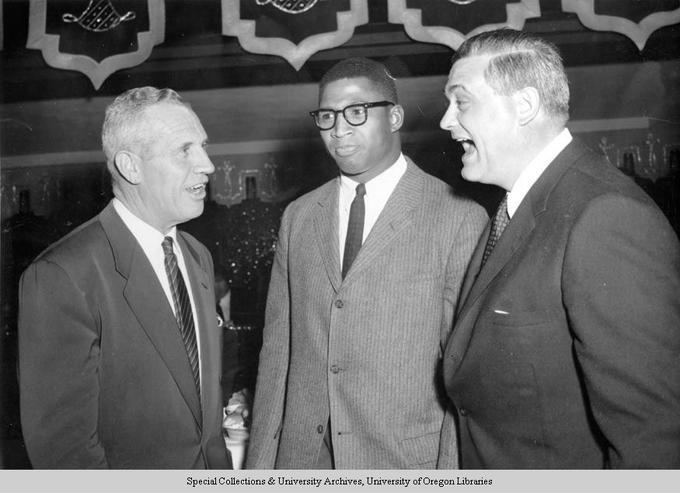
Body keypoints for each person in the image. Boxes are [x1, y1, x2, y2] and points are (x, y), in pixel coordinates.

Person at [440, 29, 680, 469]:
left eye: (461, 101)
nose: (445, 121)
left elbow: (654, 439)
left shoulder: (604, 216)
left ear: (525, 106)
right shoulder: (518, 208)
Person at [246, 57, 487, 469]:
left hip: (404, 463)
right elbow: (277, 356)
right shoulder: (299, 217)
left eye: (356, 113)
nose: (339, 130)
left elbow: (463, 376)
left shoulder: (457, 216)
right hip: (305, 463)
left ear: (394, 117)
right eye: (327, 116)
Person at [18, 87, 232, 469]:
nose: (208, 164)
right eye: (184, 150)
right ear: (131, 166)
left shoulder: (197, 256)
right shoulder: (63, 275)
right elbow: (66, 457)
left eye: (203, 145)